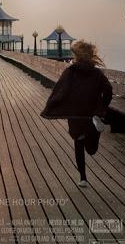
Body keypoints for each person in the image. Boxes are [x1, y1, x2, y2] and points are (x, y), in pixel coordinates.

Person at [40, 40, 112, 187]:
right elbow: (108, 90)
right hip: (92, 113)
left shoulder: (70, 71)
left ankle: (83, 178)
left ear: (77, 56)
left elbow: (62, 90)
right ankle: (94, 127)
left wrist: (52, 104)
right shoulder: (97, 73)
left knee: (79, 143)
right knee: (91, 149)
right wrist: (102, 107)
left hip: (75, 113)